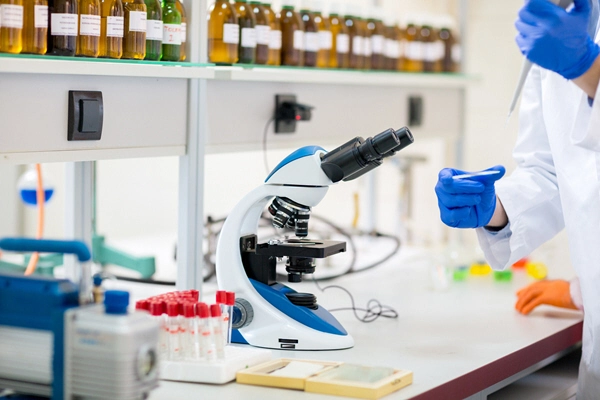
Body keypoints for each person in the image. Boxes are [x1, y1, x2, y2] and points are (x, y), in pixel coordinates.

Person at [435, 0, 600, 396]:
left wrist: (589, 70)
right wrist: (495, 209)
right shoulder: (559, 23)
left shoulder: (571, 40)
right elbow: (553, 170)